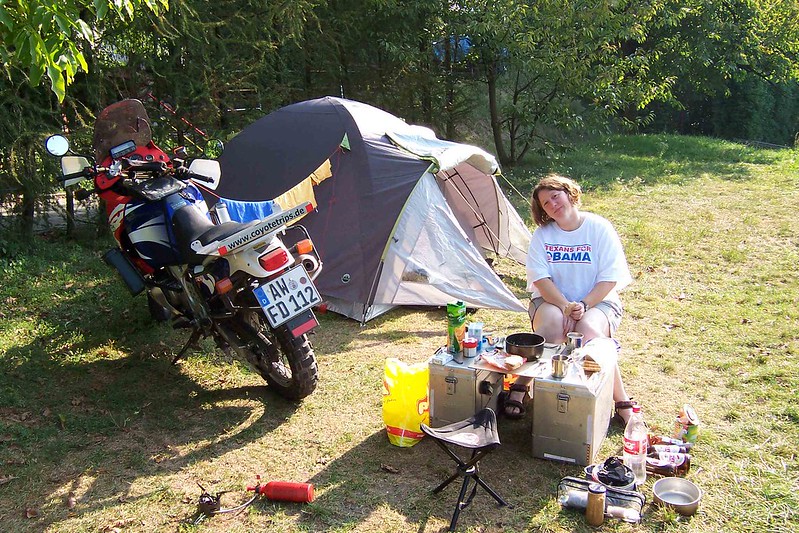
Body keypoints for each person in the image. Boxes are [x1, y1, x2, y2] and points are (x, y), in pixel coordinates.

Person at [503, 174, 636, 423]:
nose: (553, 204)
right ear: (542, 211)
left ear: (569, 194)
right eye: (546, 203)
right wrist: (566, 306)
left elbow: (610, 278)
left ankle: (621, 401)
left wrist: (584, 305)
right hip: (553, 301)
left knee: (589, 333)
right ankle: (521, 387)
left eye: (556, 196)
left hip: (598, 301)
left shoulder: (599, 228)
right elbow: (541, 280)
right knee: (551, 328)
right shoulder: (543, 235)